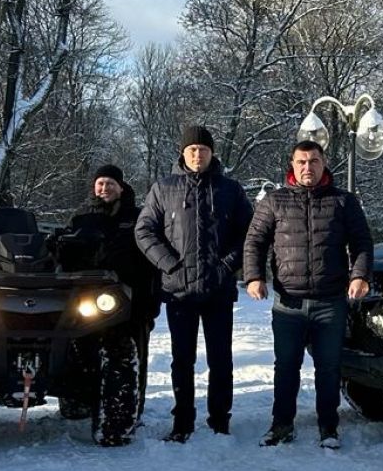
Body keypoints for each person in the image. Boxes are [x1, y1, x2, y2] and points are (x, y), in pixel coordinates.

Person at [242, 140, 373, 449]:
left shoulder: (343, 202)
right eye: (301, 161)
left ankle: (328, 427)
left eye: (313, 161)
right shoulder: (275, 202)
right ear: (292, 164)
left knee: (329, 368)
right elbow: (254, 242)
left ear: (323, 163)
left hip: (330, 302)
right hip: (288, 303)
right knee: (286, 366)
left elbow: (362, 242)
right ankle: (281, 425)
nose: (307, 167)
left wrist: (359, 275)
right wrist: (254, 277)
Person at [135, 125, 253, 442]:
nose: (197, 154)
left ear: (212, 153)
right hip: (179, 292)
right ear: (183, 153)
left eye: (203, 149)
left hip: (218, 290)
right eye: (192, 149)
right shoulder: (163, 189)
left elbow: (250, 234)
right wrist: (170, 264)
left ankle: (219, 420)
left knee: (221, 360)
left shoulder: (230, 190)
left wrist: (228, 265)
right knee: (182, 361)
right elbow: (144, 231)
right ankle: (182, 421)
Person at [67, 164, 159, 420]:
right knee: (80, 351)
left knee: (131, 355)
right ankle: (77, 403)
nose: (104, 188)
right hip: (85, 299)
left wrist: (150, 300)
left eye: (110, 183)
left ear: (120, 187)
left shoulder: (138, 217)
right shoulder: (81, 218)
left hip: (132, 298)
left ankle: (130, 411)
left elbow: (151, 261)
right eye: (100, 184)